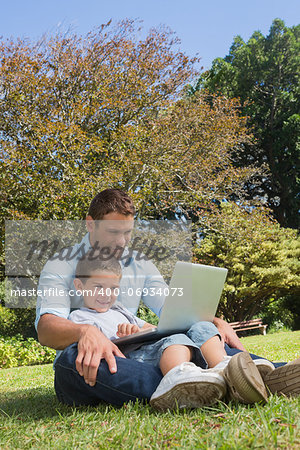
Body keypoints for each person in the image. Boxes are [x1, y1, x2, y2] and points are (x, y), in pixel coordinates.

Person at [35, 188, 299, 407]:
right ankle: (225, 381)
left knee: (197, 333)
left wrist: (214, 321)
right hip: (102, 361)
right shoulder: (61, 265)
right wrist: (85, 332)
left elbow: (174, 310)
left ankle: (261, 374)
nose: (122, 242)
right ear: (90, 224)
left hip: (147, 351)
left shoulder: (139, 262)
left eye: (127, 233)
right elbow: (46, 329)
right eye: (114, 232)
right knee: (70, 365)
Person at [69, 252, 272, 410]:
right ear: (79, 286)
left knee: (201, 326)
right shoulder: (80, 318)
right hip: (135, 355)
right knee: (175, 339)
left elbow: (148, 328)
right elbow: (92, 346)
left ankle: (224, 366)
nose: (106, 294)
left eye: (113, 288)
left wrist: (143, 328)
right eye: (98, 287)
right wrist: (120, 335)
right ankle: (178, 377)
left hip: (152, 344)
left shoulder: (119, 310)